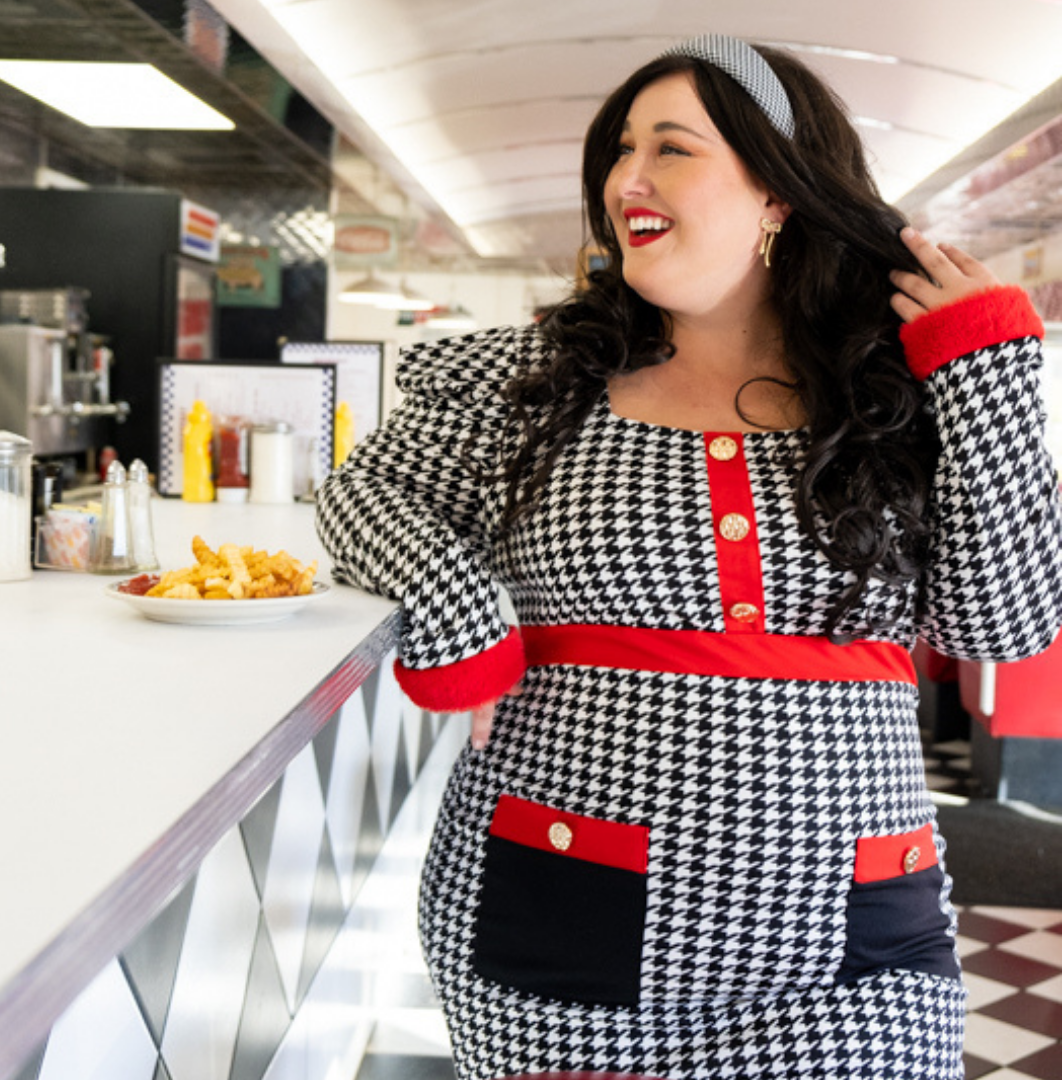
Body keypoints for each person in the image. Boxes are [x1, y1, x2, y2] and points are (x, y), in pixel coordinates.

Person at [316, 33, 1062, 1080]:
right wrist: (462, 607)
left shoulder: (891, 399)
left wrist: (987, 377)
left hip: (854, 948)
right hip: (565, 932)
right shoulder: (538, 384)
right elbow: (363, 488)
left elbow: (1006, 623)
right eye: (621, 150)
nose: (628, 178)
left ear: (778, 192)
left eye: (671, 148)